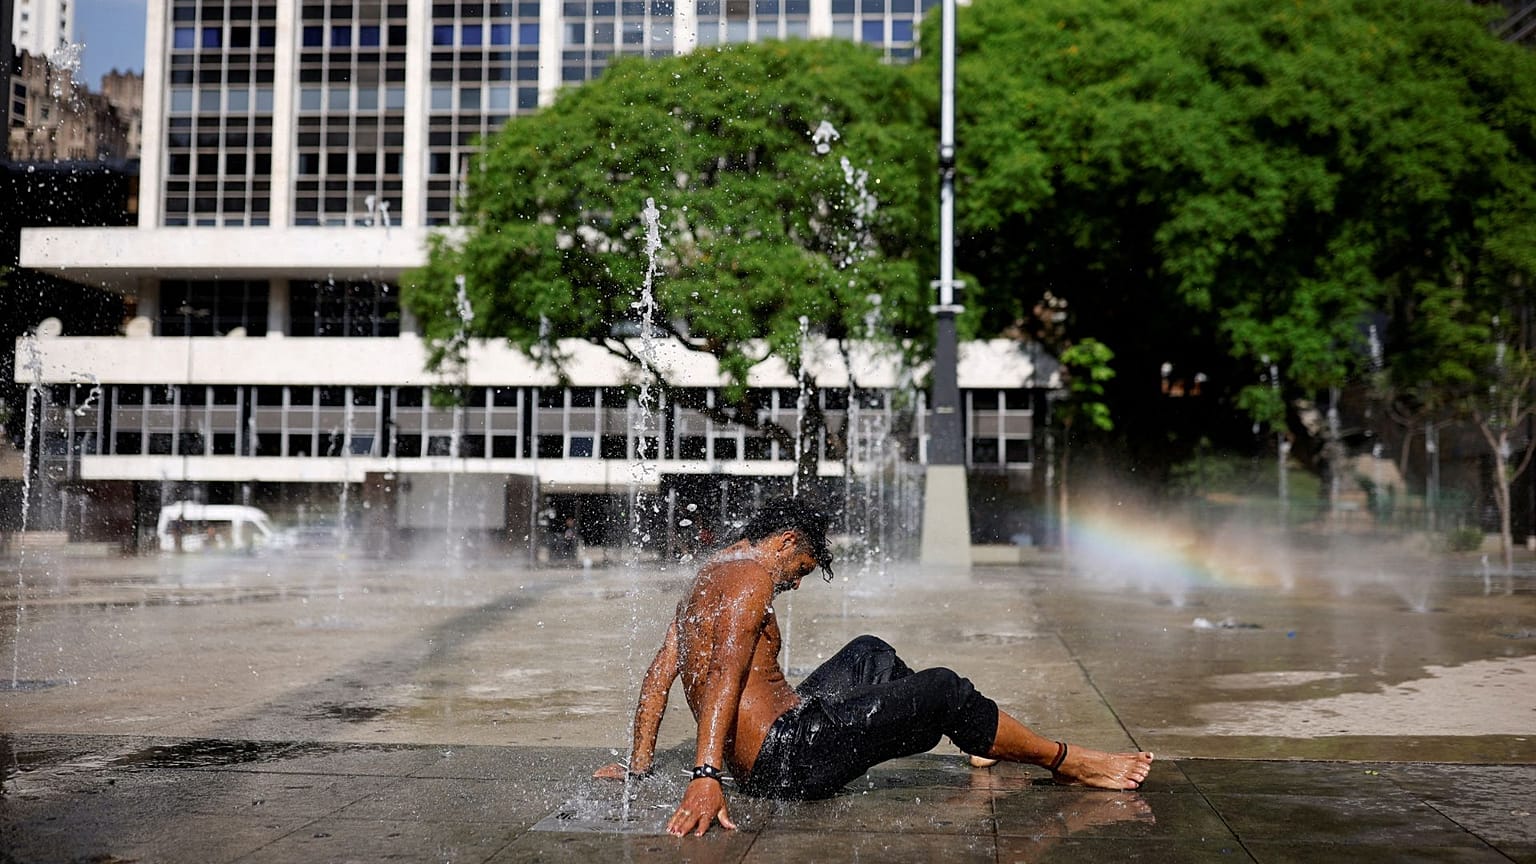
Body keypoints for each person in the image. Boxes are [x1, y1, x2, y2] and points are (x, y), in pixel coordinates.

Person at [595, 496, 1154, 837]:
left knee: (870, 653)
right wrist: (704, 778)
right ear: (786, 542)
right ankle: (1068, 760)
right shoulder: (752, 579)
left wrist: (640, 766)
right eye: (801, 568)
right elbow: (720, 677)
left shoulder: (709, 575)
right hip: (786, 760)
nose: (794, 581)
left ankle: (980, 736)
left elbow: (658, 675)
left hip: (781, 742)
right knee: (943, 688)